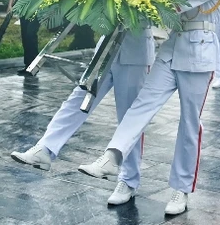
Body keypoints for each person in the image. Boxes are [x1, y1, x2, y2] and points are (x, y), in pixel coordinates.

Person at [77, 0, 220, 216]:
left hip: (199, 53)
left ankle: (181, 188)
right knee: (141, 104)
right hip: (171, 48)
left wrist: (135, 0)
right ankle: (112, 157)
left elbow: (177, 5)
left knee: (189, 123)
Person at [11, 29, 154, 205]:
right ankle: (45, 148)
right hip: (106, 49)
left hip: (134, 54)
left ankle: (128, 181)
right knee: (78, 99)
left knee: (129, 118)